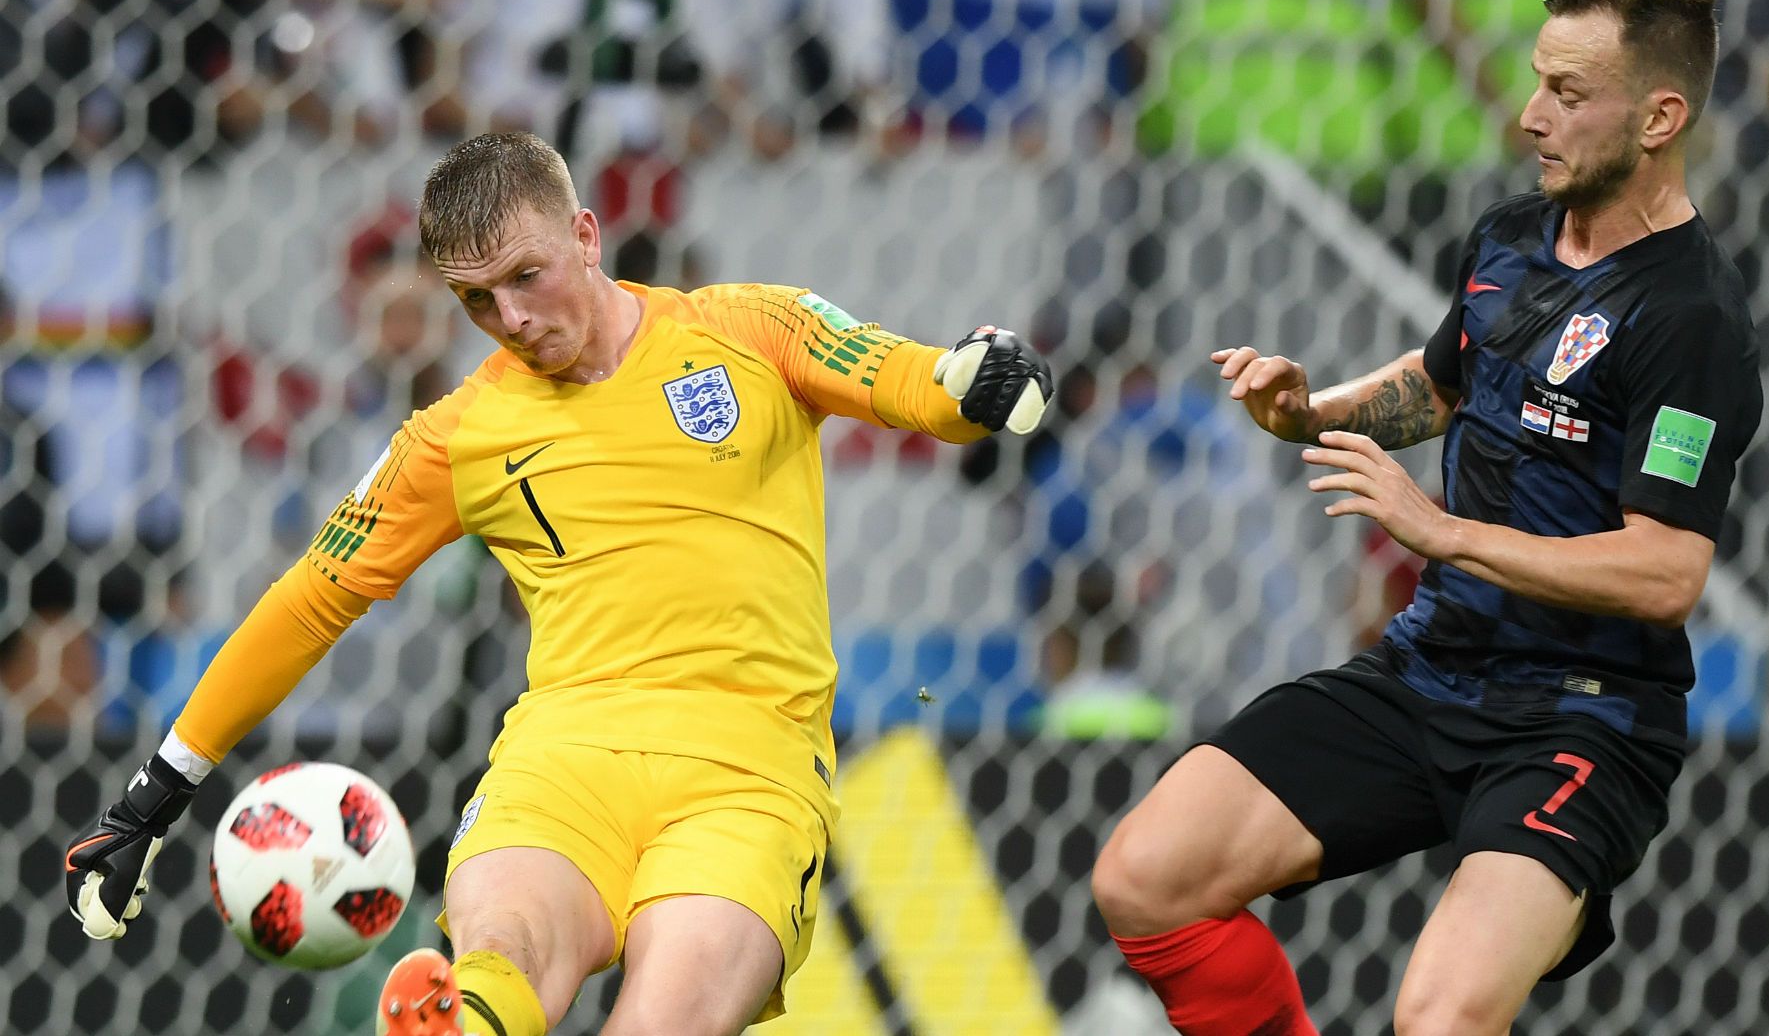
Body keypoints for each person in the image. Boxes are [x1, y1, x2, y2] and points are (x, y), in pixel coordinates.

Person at [61, 131, 1054, 1036]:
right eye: (477, 300)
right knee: (501, 960)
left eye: (526, 276)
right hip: (564, 759)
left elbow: (922, 385)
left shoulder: (751, 330)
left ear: (585, 234)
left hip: (748, 775)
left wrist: (985, 376)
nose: (513, 319)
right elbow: (313, 597)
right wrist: (153, 795)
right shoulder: (458, 436)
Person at [1091, 0, 1763, 1034]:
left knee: (1441, 1019)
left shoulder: (1691, 320)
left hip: (1583, 720)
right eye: (1538, 81)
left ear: (1659, 117)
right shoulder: (1507, 239)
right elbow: (1446, 382)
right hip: (1433, 669)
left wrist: (1442, 530)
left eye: (1569, 95)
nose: (1532, 114)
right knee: (1146, 877)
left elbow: (1667, 571)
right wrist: (1314, 412)